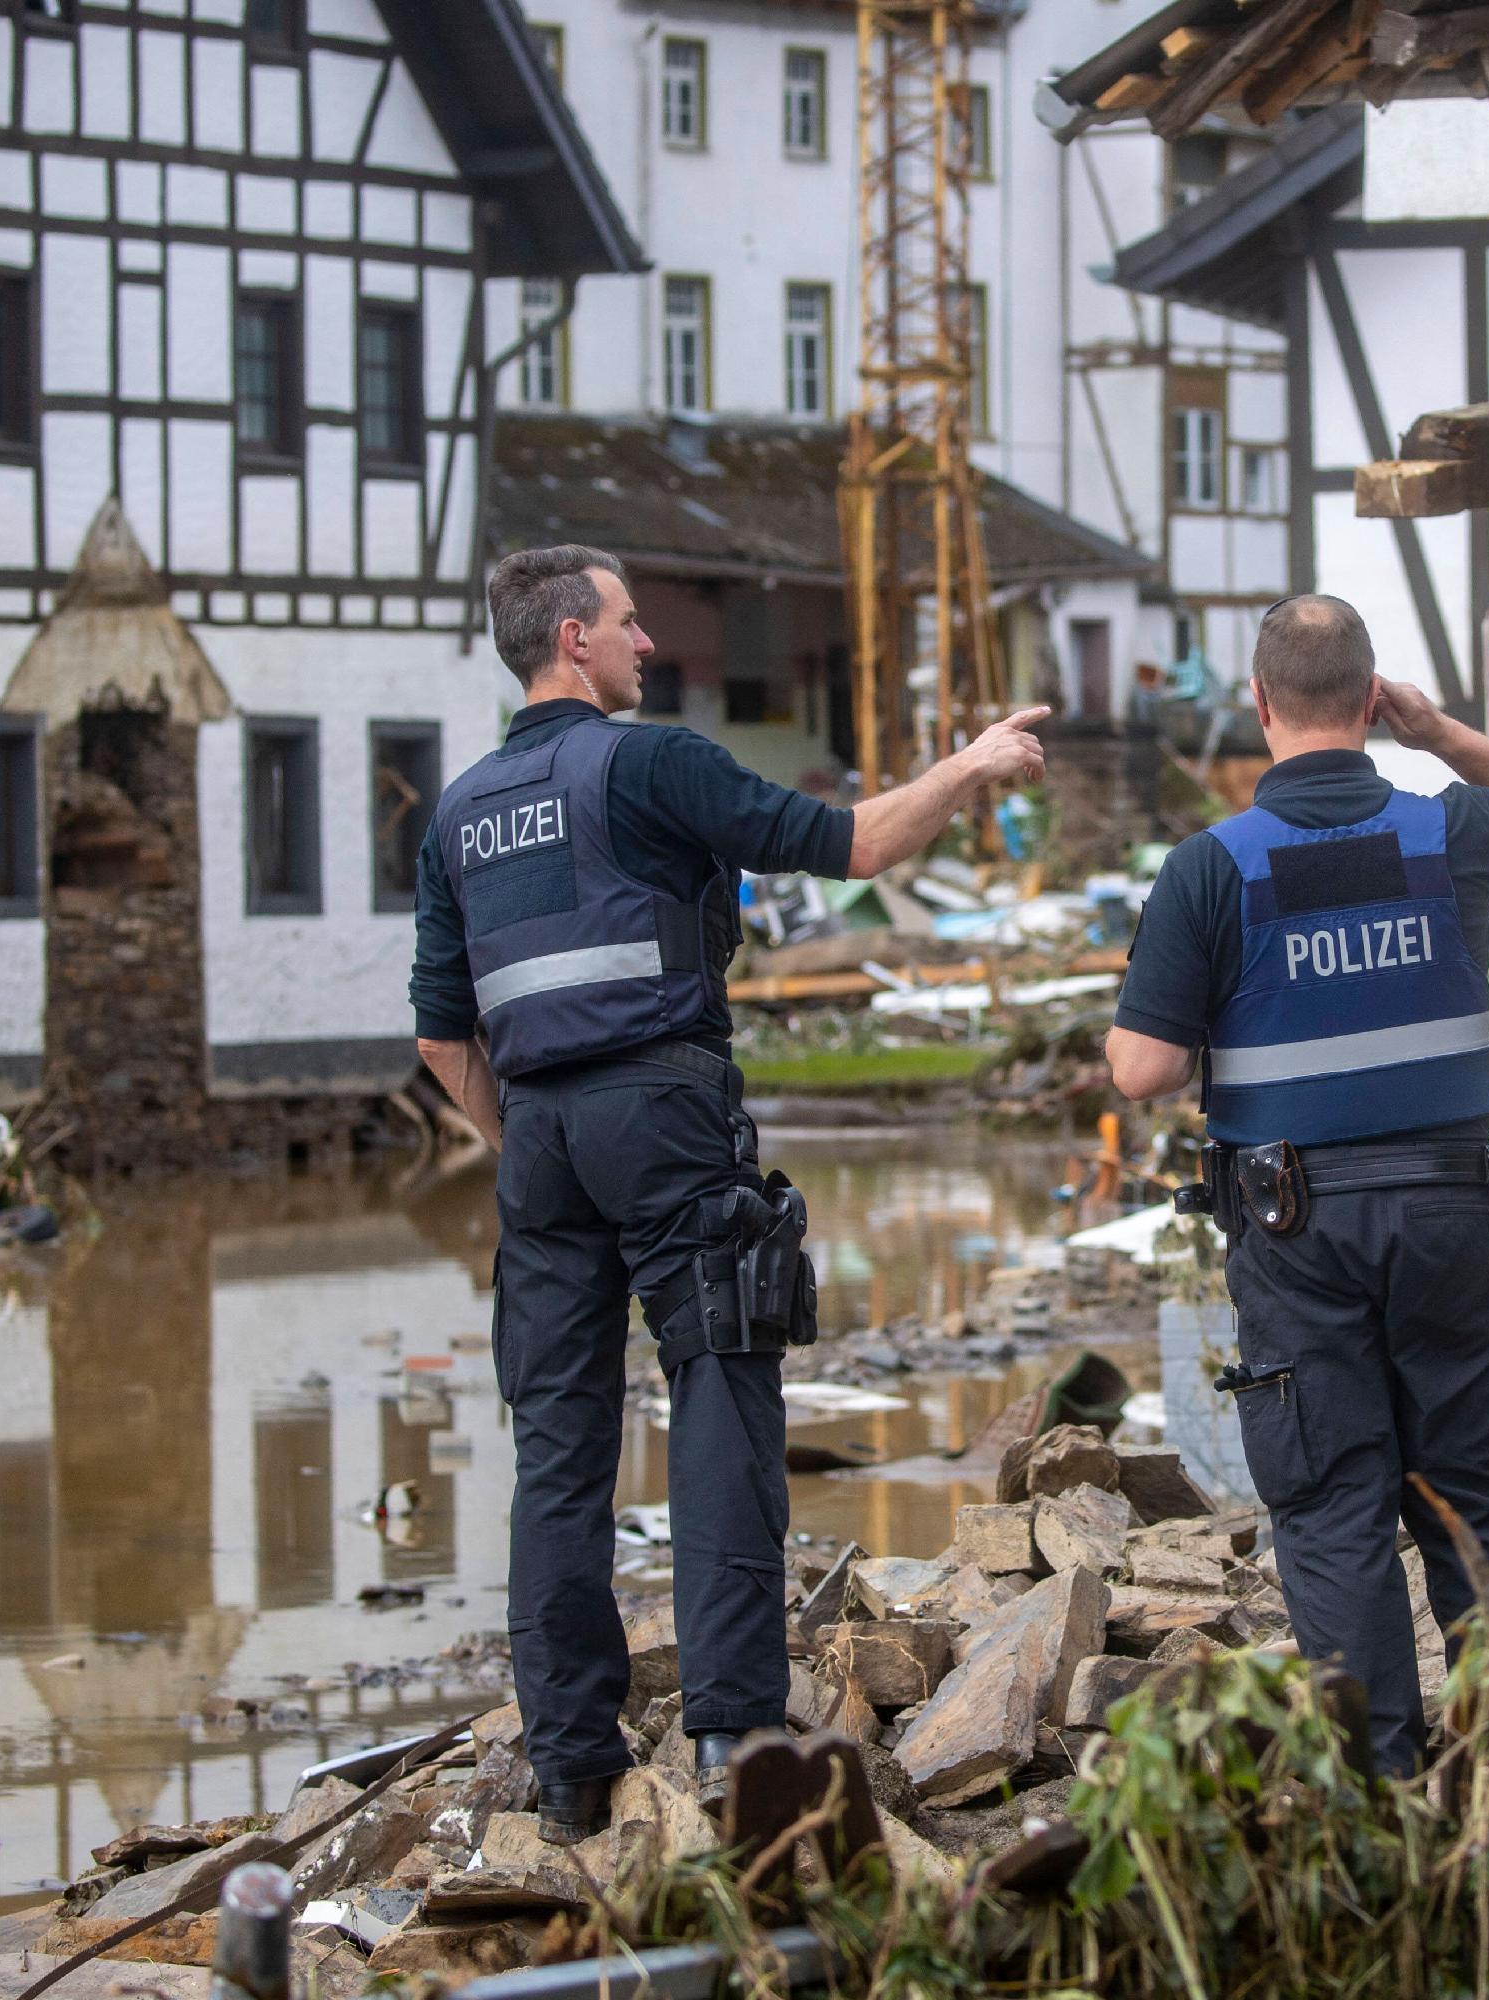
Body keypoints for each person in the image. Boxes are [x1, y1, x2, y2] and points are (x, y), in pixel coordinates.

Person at [411, 544, 1047, 1843]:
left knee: (561, 1443)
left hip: (536, 1137)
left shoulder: (460, 813)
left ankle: (575, 1764)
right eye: (633, 623)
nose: (653, 646)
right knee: (718, 1392)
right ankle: (732, 1731)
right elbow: (857, 842)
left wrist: (526, 1139)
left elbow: (437, 1039)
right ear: (575, 637)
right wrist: (974, 764)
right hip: (665, 1108)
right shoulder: (651, 764)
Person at [1105, 594, 1489, 1776]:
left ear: (1260, 704)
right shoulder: (1451, 829)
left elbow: (1142, 1068)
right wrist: (1440, 734)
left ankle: (1380, 1780)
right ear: (1373, 700)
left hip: (1297, 1226)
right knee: (1476, 1492)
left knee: (1334, 1505)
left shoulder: (1208, 865)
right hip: (1448, 1216)